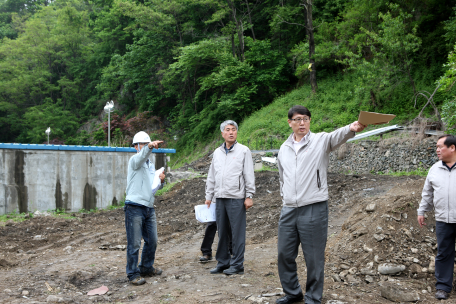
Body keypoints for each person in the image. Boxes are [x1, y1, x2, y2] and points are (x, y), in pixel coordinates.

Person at [276, 105, 366, 304]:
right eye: (298, 119)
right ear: (289, 122)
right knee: (284, 252)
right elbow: (282, 177)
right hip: (289, 208)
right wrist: (285, 197)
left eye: (306, 119)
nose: (302, 123)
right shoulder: (284, 148)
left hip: (314, 206)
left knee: (314, 256)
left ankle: (313, 296)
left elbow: (338, 136)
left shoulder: (320, 140)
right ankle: (292, 292)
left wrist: (351, 127)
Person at [205, 120, 255, 275]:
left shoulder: (244, 151)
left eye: (234, 129)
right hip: (219, 198)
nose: (231, 132)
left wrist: (249, 195)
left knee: (237, 232)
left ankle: (237, 264)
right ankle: (223, 262)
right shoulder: (217, 152)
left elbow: (249, 174)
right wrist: (209, 195)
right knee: (222, 231)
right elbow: (212, 176)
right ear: (222, 133)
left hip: (236, 197)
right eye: (228, 130)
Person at [124, 131, 166, 285]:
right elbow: (141, 156)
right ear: (136, 147)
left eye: (147, 145)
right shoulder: (135, 161)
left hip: (148, 207)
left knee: (152, 240)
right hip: (134, 207)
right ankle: (133, 274)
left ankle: (146, 267)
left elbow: (152, 187)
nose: (147, 149)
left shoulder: (150, 165)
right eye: (142, 145)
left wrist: (161, 181)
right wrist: (148, 147)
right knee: (134, 243)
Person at [417, 135, 456, 300]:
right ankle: (443, 287)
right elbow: (427, 193)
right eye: (437, 147)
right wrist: (421, 211)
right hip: (442, 219)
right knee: (444, 253)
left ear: (452, 147)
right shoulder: (434, 169)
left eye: (440, 147)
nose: (437, 150)